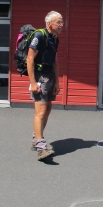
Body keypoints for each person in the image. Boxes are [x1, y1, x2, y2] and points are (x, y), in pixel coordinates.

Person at [27, 11, 63, 160]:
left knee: (47, 109)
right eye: (58, 22)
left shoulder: (55, 38)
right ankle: (41, 147)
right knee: (40, 111)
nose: (62, 25)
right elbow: (30, 58)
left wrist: (57, 82)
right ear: (49, 24)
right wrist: (33, 82)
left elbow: (54, 61)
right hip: (39, 76)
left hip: (49, 77)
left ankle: (36, 138)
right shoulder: (39, 35)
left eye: (62, 22)